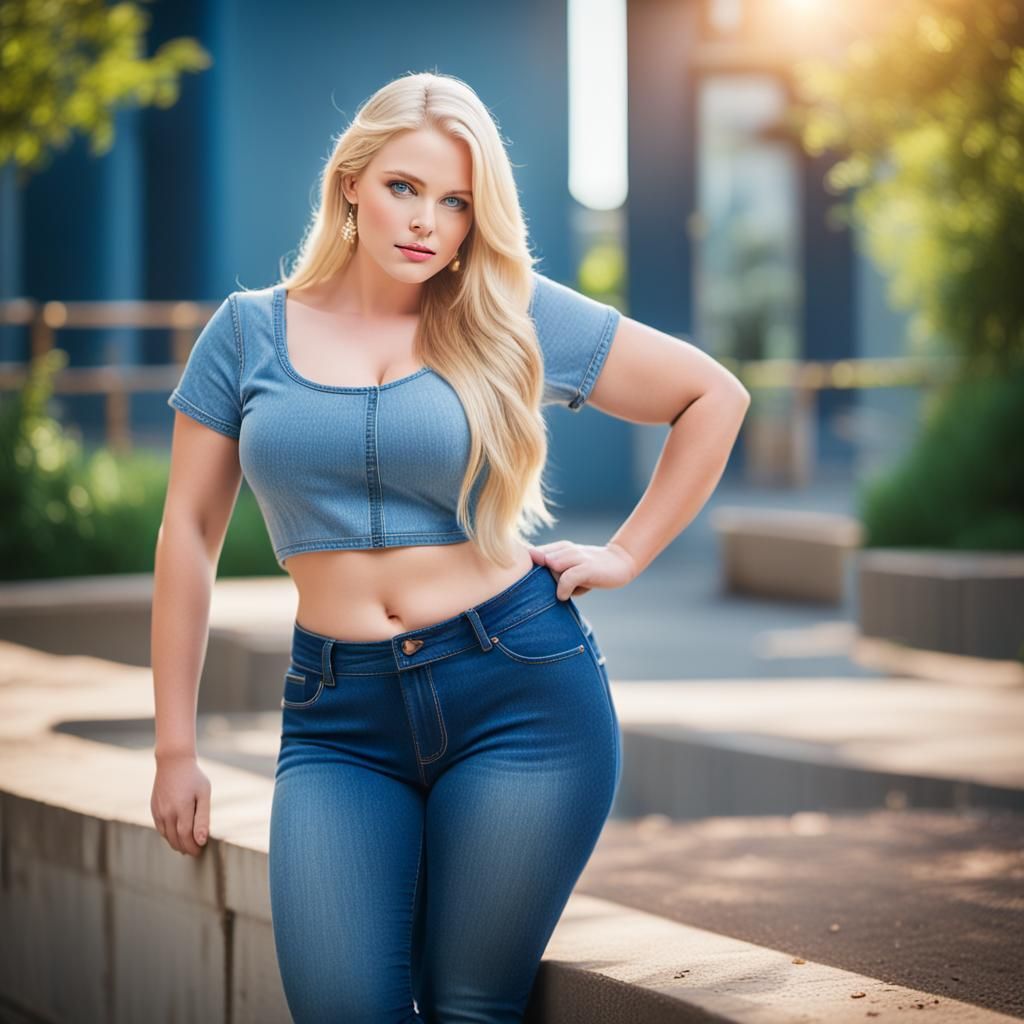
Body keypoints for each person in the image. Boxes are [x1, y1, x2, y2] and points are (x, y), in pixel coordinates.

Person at [150, 70, 750, 1023]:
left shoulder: (509, 311)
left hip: (519, 697)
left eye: (456, 201)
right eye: (404, 187)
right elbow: (189, 532)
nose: (428, 220)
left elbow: (711, 396)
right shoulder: (246, 333)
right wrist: (174, 747)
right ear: (351, 181)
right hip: (338, 720)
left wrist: (629, 554)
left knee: (472, 1008)